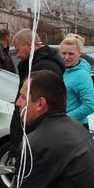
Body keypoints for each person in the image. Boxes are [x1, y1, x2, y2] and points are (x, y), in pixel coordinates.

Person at [12, 71, 94, 188]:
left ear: (40, 104)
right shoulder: (76, 127)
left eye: (23, 97)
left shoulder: (37, 143)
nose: (18, 103)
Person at [9, 28, 64, 158]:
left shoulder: (43, 67)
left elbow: (43, 104)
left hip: (33, 135)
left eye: (17, 49)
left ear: (28, 45)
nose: (16, 55)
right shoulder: (35, 64)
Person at [59, 33, 94, 127]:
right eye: (64, 53)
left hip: (75, 126)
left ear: (79, 54)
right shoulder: (60, 69)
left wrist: (64, 119)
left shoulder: (82, 75)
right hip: (60, 124)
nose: (66, 57)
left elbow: (89, 106)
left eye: (71, 54)